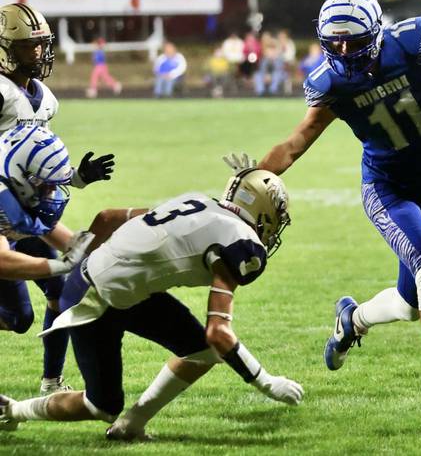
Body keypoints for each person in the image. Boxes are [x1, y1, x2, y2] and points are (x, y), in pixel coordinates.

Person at [257, 0, 421, 428]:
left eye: (351, 41)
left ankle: (352, 320)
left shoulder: (411, 45)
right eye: (332, 42)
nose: (341, 50)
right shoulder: (330, 81)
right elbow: (297, 143)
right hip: (387, 186)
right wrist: (253, 178)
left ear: (375, 33)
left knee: (415, 302)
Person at [0, 163, 303, 439]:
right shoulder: (242, 244)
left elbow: (108, 218)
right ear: (264, 211)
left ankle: (132, 424)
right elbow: (219, 332)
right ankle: (13, 411)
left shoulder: (198, 201)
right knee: (101, 406)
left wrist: (81, 264)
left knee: (201, 351)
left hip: (113, 286)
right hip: (94, 299)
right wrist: (266, 382)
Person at [0, 2, 114, 394]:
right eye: (28, 46)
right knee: (19, 316)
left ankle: (52, 382)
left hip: (24, 204)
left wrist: (77, 178)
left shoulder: (44, 97)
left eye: (41, 45)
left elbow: (39, 158)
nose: (39, 53)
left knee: (67, 283)